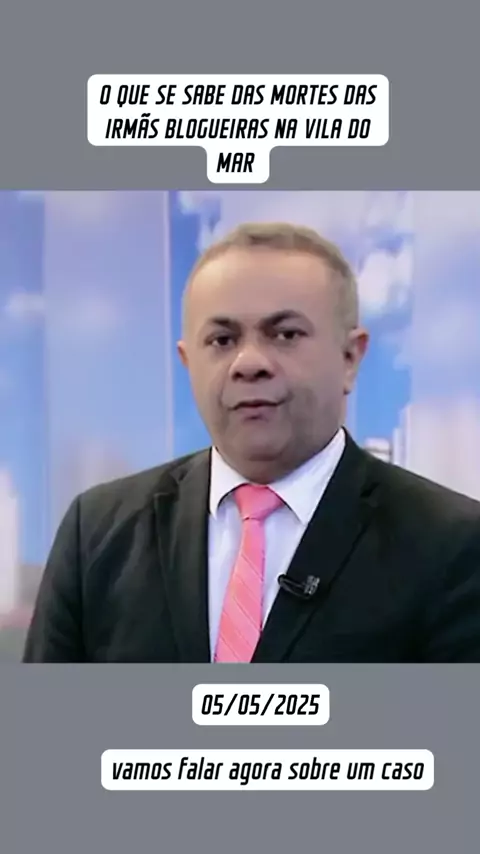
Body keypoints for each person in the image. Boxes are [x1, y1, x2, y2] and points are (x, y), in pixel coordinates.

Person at [23, 221, 480, 663]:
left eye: (285, 335)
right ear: (188, 362)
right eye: (222, 340)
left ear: (349, 358)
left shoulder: (452, 544)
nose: (249, 362)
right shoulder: (97, 532)